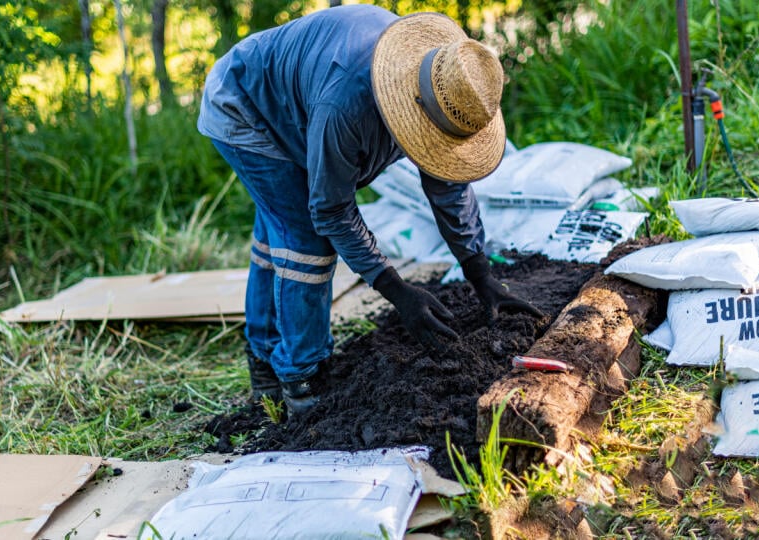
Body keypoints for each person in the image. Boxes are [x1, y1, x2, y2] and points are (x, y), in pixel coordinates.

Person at [197, 4, 542, 416]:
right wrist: (395, 289)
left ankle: (268, 361)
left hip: (301, 104)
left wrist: (479, 272)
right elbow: (331, 209)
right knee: (305, 239)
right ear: (411, 108)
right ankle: (300, 376)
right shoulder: (348, 104)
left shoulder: (446, 86)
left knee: (280, 229)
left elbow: (447, 186)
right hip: (245, 104)